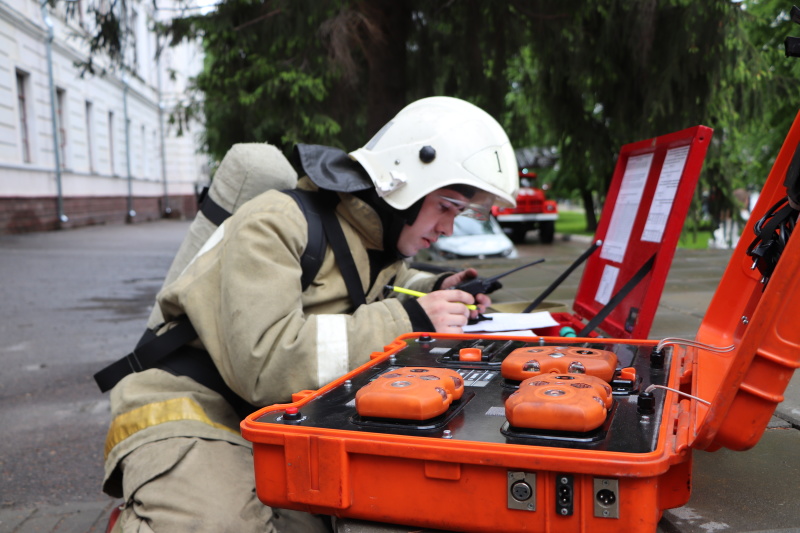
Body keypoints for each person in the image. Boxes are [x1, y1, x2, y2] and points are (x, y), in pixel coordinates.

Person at [102, 96, 519, 532]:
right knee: (221, 525)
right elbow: (264, 363)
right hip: (188, 405)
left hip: (277, 417)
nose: (449, 228)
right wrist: (411, 319)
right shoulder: (276, 221)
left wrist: (436, 290)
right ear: (402, 186)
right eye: (446, 207)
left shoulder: (373, 242)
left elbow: (375, 289)